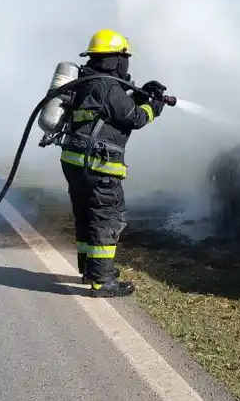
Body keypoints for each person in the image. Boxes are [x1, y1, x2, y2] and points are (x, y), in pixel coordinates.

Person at [60, 29, 166, 298]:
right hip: (99, 167)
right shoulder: (108, 86)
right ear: (116, 58)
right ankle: (102, 281)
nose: (126, 63)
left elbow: (112, 112)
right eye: (124, 58)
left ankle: (91, 270)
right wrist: (154, 106)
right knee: (106, 218)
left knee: (86, 215)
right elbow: (134, 118)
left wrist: (141, 94)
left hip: (75, 163)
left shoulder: (87, 80)